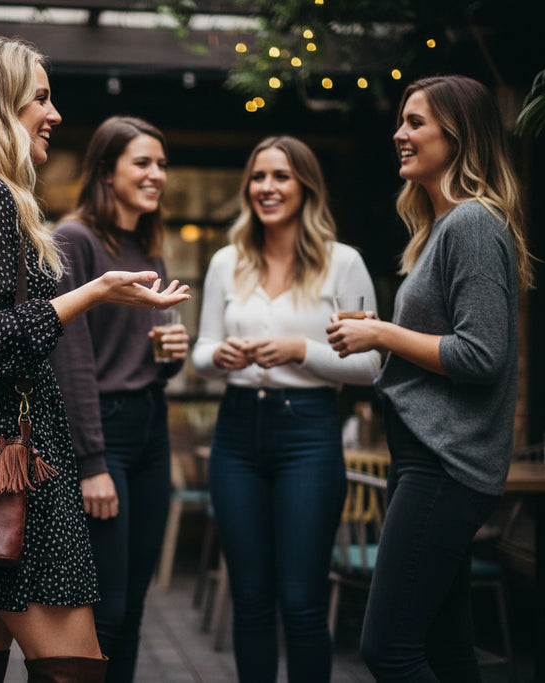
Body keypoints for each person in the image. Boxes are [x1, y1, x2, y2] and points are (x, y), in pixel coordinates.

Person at [0, 37, 189, 683]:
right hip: (6, 458)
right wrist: (94, 291)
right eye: (41, 97)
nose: (54, 113)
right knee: (75, 666)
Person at [326, 75, 534, 682]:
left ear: (459, 135)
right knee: (447, 651)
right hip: (430, 457)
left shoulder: (472, 224)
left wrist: (382, 334)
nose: (399, 134)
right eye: (402, 121)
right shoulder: (443, 228)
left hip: (447, 465)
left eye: (415, 122)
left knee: (388, 648)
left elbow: (482, 355)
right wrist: (382, 329)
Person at [192, 135, 381, 682]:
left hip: (310, 432)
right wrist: (220, 355)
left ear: (305, 187)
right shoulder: (228, 262)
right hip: (236, 432)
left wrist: (303, 351)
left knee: (300, 599)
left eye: (280, 176)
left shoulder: (344, 264)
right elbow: (201, 353)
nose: (267, 188)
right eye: (258, 177)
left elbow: (370, 367)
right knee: (250, 598)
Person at [49, 116, 189, 683]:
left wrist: (173, 352)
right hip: (101, 431)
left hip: (152, 427)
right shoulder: (74, 239)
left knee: (132, 607)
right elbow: (71, 355)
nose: (156, 175)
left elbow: (148, 357)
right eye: (142, 163)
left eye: (161, 164)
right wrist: (91, 464)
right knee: (105, 608)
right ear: (107, 171)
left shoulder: (146, 245)